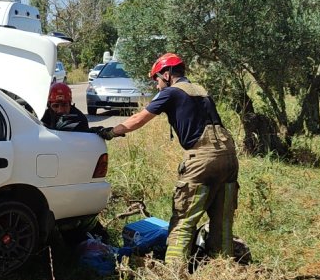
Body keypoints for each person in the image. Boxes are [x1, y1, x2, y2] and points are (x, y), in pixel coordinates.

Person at [99, 53, 239, 266]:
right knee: (223, 223)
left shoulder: (171, 92)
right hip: (229, 156)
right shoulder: (200, 90)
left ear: (167, 73)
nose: (156, 86)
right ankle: (224, 269)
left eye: (156, 79)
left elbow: (139, 118)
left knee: (183, 222)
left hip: (202, 158)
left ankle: (175, 277)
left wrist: (111, 132)